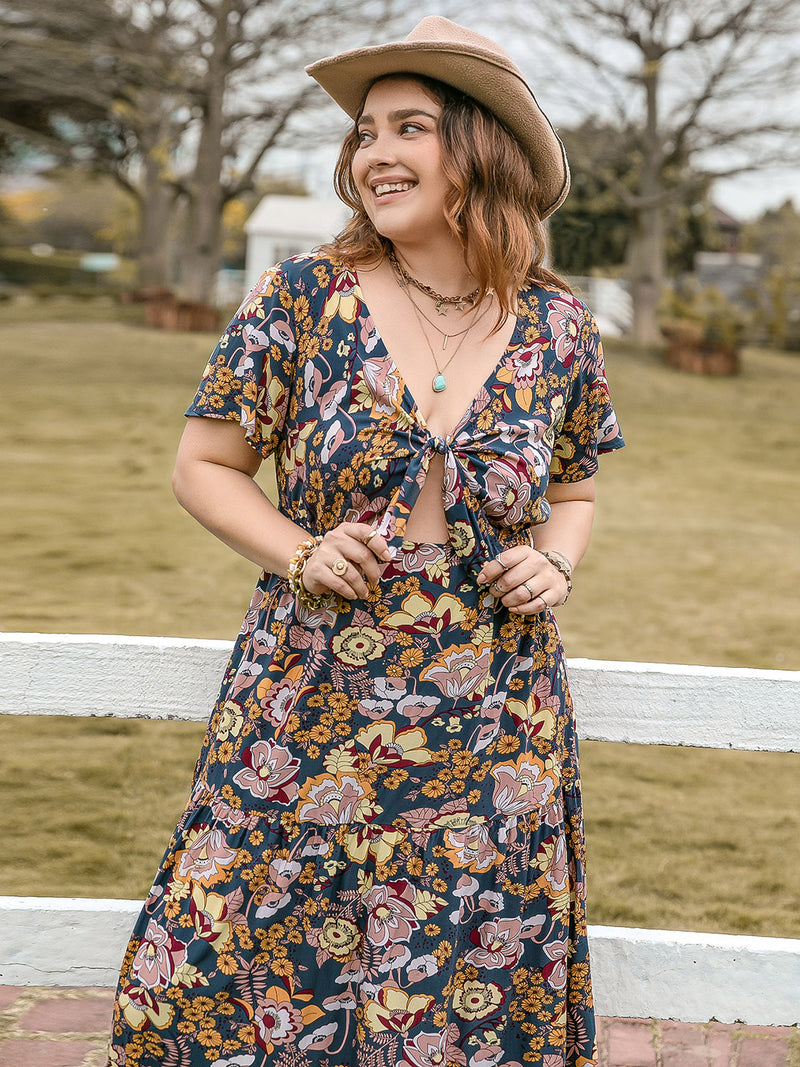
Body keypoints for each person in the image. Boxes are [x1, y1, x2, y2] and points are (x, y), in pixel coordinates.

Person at [107, 16, 624, 1067]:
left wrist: (556, 557)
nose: (374, 153)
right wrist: (296, 550)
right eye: (364, 132)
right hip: (311, 687)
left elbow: (573, 488)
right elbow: (203, 465)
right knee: (223, 948)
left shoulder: (557, 327)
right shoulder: (302, 298)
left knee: (463, 971)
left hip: (491, 703)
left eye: (408, 127)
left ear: (479, 148)